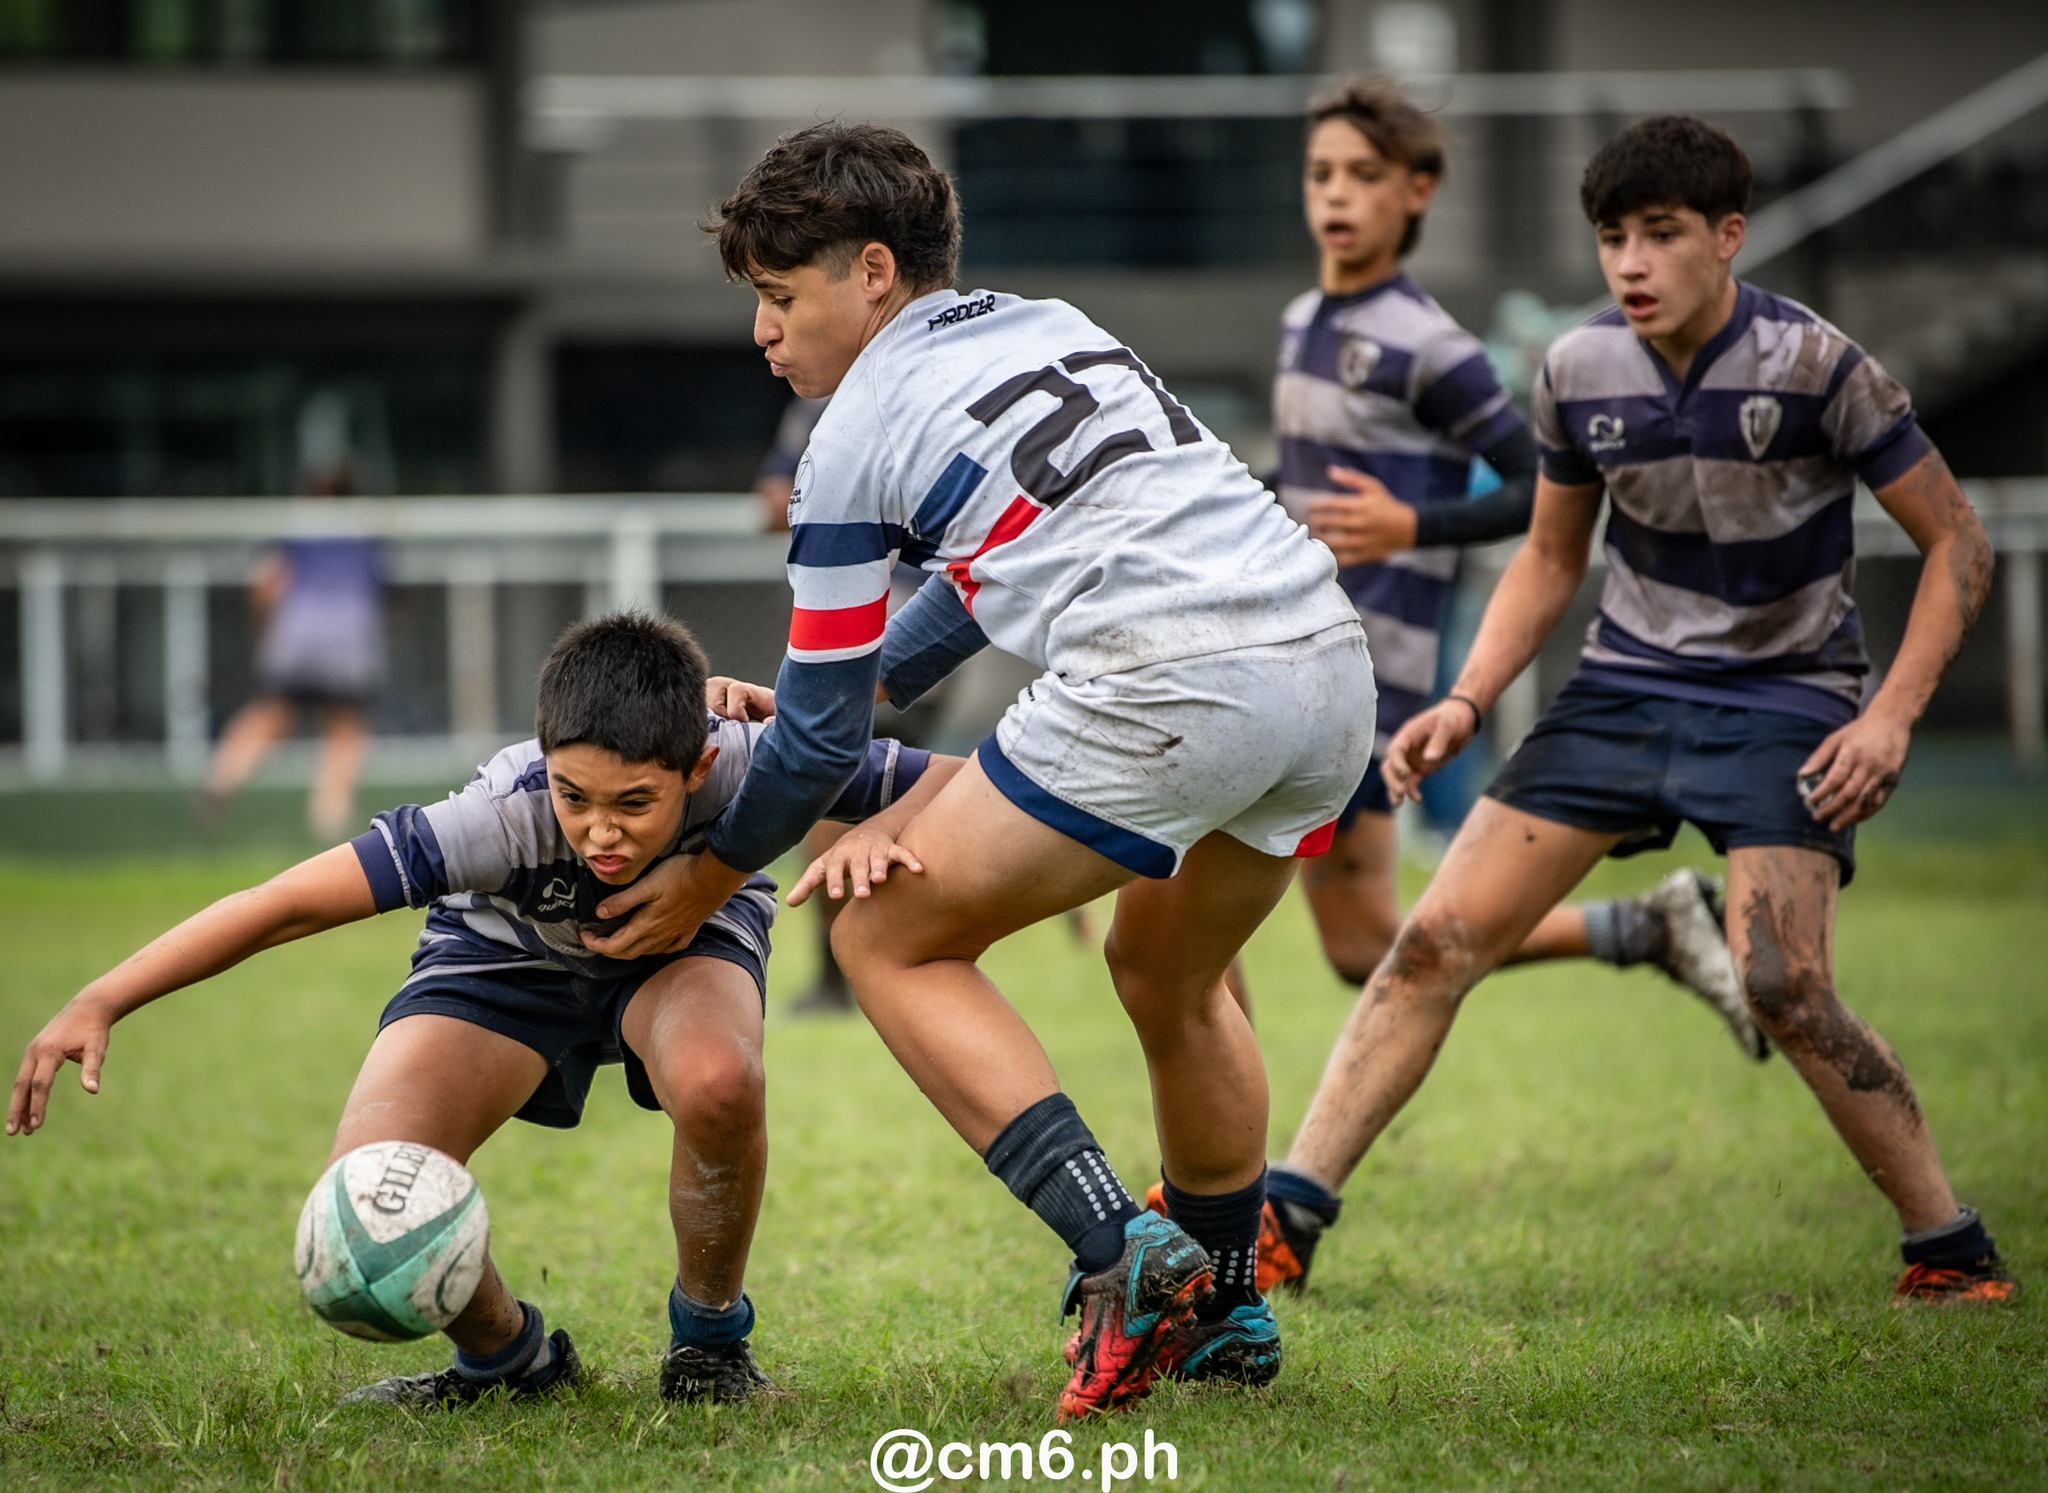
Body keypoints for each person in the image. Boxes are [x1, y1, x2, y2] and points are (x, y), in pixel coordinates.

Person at [586, 122, 1376, 1417]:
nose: (764, 334)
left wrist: (708, 876)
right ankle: (1229, 1307)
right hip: (1323, 664)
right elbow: (990, 564)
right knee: (1167, 972)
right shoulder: (1051, 324)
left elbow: (821, 749)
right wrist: (864, 681)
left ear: (876, 272)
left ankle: (1127, 1249)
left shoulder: (845, 440)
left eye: (782, 298)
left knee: (889, 930)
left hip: (1163, 675)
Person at [1256, 115, 2016, 1305]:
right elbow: (1551, 558)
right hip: (1619, 689)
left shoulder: (1820, 366)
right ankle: (1284, 1218)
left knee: (1784, 985)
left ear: (1727, 236)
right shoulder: (1576, 368)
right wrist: (1465, 699)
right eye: (1612, 239)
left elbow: (1957, 545)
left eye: (1659, 236)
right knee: (1427, 944)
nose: (1630, 265)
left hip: (1784, 699)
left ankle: (1948, 1249)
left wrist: (1889, 717)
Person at [9, 613, 944, 1404]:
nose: (601, 831)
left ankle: (708, 1341)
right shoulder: (497, 816)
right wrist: (105, 996)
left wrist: (887, 824)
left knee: (719, 1077)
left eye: (635, 803)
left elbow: (963, 783)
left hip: (682, 950)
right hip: (504, 960)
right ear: (544, 761)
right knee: (366, 1198)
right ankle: (509, 1357)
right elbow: (284, 903)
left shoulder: (750, 759)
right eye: (576, 797)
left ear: (698, 768)